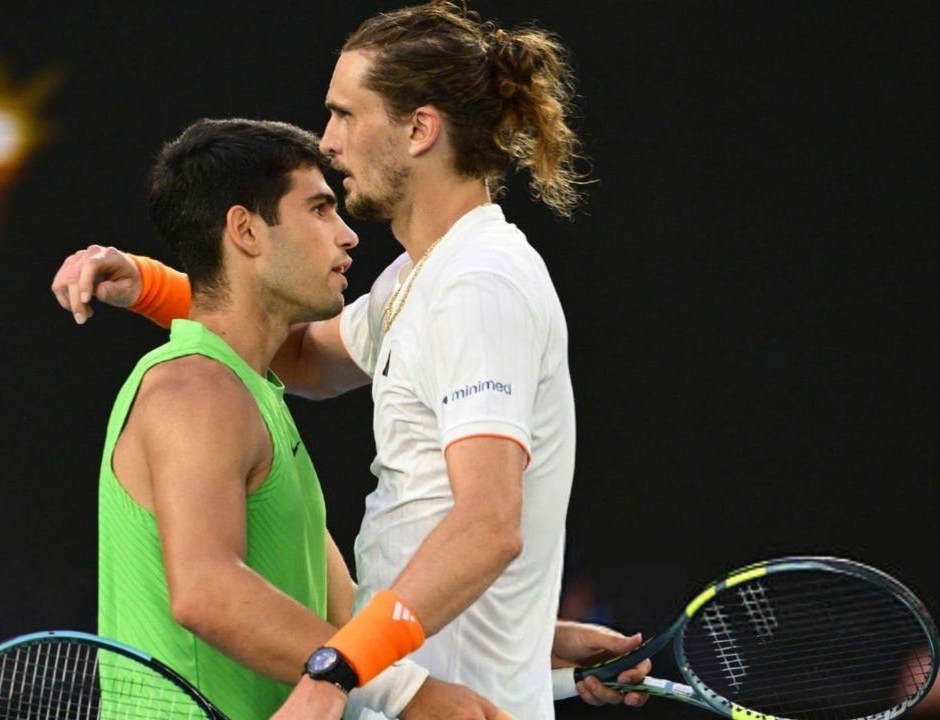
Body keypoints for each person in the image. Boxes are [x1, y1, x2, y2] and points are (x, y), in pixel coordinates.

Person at [54, 3, 651, 718]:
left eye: (344, 114)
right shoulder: (413, 283)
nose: (329, 141)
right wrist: (152, 285)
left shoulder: (476, 285)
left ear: (419, 129)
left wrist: (339, 670)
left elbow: (488, 523)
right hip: (418, 688)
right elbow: (294, 351)